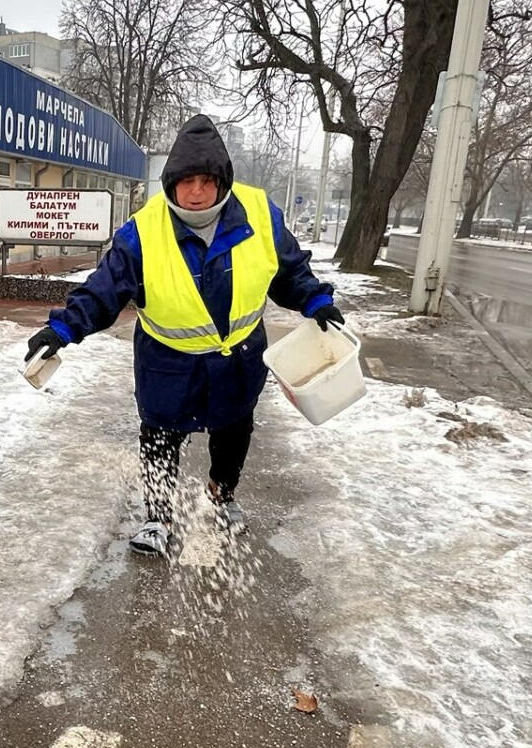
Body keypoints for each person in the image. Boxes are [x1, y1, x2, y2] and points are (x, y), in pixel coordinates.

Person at [24, 114, 344, 557]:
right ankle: (158, 517)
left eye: (207, 181)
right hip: (168, 361)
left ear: (222, 181)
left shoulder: (259, 214)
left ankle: (222, 494)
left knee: (233, 432)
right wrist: (62, 328)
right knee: (159, 437)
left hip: (238, 357)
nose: (196, 192)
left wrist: (316, 300)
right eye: (186, 181)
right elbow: (103, 290)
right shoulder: (142, 231)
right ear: (171, 183)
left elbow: (289, 271)